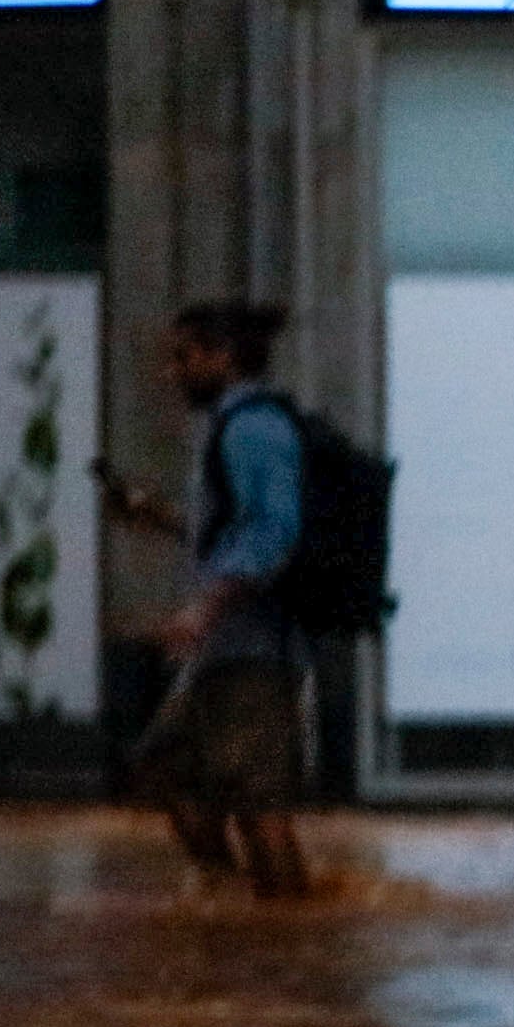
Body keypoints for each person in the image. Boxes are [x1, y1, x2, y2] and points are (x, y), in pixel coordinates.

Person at [105, 299, 313, 899]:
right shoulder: (232, 426)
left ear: (223, 357)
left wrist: (207, 607)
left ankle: (286, 938)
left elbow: (275, 531)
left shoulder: (254, 428)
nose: (173, 373)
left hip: (255, 648)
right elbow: (230, 529)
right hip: (225, 650)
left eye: (184, 357)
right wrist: (161, 517)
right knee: (166, 769)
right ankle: (238, 907)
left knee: (258, 804)